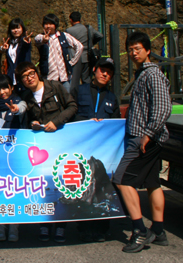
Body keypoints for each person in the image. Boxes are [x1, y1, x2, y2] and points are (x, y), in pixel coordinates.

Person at [113, 32, 171, 253]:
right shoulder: (142, 74)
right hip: (147, 137)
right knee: (152, 182)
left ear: (148, 50)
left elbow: (163, 107)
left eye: (137, 49)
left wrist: (148, 133)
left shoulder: (152, 74)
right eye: (130, 49)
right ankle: (159, 230)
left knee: (121, 179)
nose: (133, 53)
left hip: (144, 138)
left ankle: (139, 231)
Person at [16, 61, 77, 243]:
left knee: (62, 183)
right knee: (44, 185)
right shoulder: (26, 97)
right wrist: (33, 124)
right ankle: (44, 224)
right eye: (25, 76)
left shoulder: (55, 87)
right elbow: (28, 119)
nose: (29, 78)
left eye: (31, 73)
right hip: (41, 147)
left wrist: (57, 122)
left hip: (61, 143)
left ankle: (61, 226)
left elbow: (72, 106)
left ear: (37, 73)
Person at [70, 57, 120, 243]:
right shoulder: (79, 90)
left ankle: (102, 229)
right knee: (83, 188)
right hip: (82, 150)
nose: (105, 74)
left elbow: (116, 125)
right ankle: (83, 228)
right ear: (94, 70)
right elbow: (70, 114)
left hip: (104, 154)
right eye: (102, 70)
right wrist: (85, 122)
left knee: (102, 189)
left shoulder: (112, 98)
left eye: (109, 72)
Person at [0, 74, 27, 243]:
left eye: (5, 87)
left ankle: (14, 227)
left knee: (14, 191)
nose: (2, 92)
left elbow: (22, 108)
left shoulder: (18, 102)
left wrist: (16, 109)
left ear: (11, 87)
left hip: (15, 156)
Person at [34, 14, 83, 93]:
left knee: (66, 97)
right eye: (46, 24)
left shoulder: (64, 36)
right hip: (49, 77)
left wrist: (72, 62)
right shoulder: (41, 36)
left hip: (64, 77)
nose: (48, 26)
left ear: (55, 24)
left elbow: (79, 46)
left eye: (51, 24)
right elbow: (37, 39)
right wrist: (44, 39)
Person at [66, 11, 103, 86]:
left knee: (74, 80)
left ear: (71, 20)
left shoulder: (69, 31)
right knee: (86, 79)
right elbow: (100, 36)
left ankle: (76, 93)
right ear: (80, 19)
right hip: (87, 56)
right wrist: (91, 43)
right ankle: (87, 92)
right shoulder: (88, 28)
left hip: (75, 58)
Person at [0, 18, 32, 92]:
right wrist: (3, 48)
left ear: (22, 29)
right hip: (11, 78)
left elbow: (26, 45)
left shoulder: (24, 41)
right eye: (13, 28)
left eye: (18, 28)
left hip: (23, 76)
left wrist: (26, 41)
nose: (15, 30)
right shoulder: (9, 44)